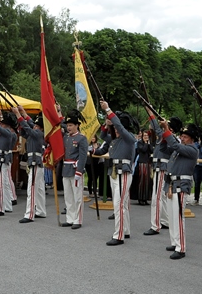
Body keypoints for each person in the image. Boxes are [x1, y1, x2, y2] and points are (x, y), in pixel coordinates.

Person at [94, 101, 137, 246]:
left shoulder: (128, 137)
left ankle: (118, 235)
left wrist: (108, 109)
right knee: (122, 204)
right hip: (114, 171)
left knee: (118, 204)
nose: (115, 130)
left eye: (116, 127)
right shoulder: (115, 139)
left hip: (123, 172)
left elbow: (119, 127)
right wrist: (107, 124)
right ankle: (125, 230)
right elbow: (103, 135)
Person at [162, 121, 200, 259]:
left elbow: (175, 145)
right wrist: (163, 132)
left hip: (181, 184)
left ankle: (181, 247)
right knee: (172, 217)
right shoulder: (180, 149)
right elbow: (166, 148)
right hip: (172, 183)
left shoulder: (192, 149)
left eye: (185, 136)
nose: (182, 138)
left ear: (192, 138)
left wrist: (167, 130)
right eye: (182, 135)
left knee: (178, 217)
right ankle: (175, 241)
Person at [143, 113, 181, 236]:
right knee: (162, 197)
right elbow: (157, 129)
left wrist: (152, 116)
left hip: (163, 168)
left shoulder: (172, 139)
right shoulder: (164, 137)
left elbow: (159, 130)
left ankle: (155, 225)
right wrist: (150, 114)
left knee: (157, 197)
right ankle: (165, 220)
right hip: (158, 167)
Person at [14, 106, 46, 223]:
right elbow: (27, 127)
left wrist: (19, 115)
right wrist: (23, 113)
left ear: (41, 128)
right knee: (39, 189)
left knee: (31, 189)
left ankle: (29, 214)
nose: (35, 127)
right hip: (34, 161)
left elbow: (29, 127)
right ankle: (41, 211)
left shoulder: (38, 133)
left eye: (37, 126)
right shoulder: (36, 133)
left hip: (35, 162)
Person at [61, 109, 88, 229]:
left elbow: (82, 156)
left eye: (71, 125)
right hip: (66, 168)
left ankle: (78, 219)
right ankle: (70, 218)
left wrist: (79, 171)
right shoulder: (66, 138)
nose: (69, 127)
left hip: (75, 169)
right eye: (67, 125)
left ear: (77, 125)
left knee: (77, 196)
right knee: (68, 196)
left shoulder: (81, 138)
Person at [135, 129, 153, 205]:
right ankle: (140, 198)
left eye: (147, 136)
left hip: (148, 163)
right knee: (142, 181)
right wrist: (145, 143)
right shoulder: (139, 143)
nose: (146, 137)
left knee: (147, 181)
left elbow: (151, 150)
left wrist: (148, 144)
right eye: (145, 135)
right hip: (142, 163)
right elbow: (143, 150)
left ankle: (146, 198)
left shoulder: (149, 143)